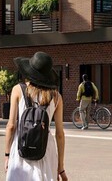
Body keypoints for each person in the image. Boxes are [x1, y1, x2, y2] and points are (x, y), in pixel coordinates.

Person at [4, 51, 67, 181]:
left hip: (22, 146)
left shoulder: (18, 89)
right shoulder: (56, 97)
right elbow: (60, 134)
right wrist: (60, 167)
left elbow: (11, 126)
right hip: (46, 149)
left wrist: (7, 154)